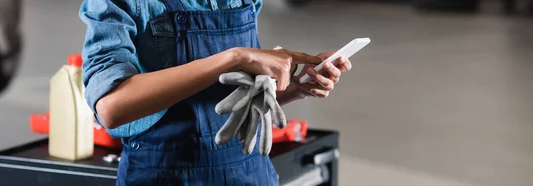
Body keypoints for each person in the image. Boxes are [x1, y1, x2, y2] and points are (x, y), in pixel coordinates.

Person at [79, 0, 352, 185]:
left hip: (251, 174)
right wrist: (233, 58)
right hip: (167, 175)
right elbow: (111, 107)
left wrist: (295, 87)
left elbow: (233, 95)